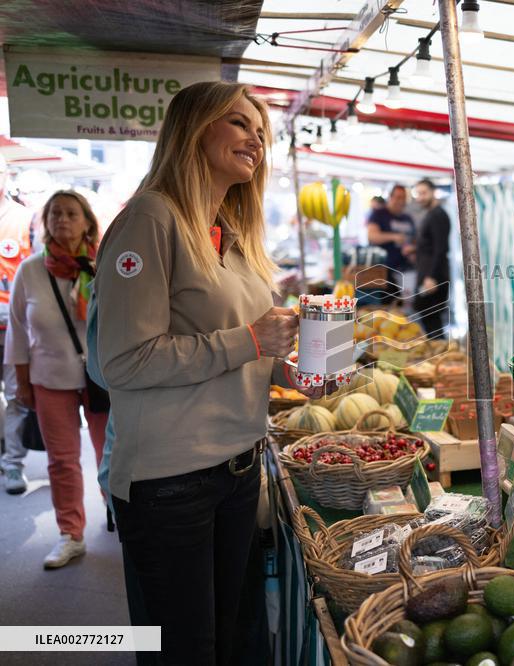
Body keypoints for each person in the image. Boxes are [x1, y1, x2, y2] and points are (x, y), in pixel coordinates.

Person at [94, 81, 329, 665]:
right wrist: (250, 340)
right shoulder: (150, 218)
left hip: (238, 468)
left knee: (233, 640)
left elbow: (241, 346)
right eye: (239, 123)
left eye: (261, 131)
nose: (255, 139)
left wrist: (289, 372)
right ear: (194, 129)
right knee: (186, 648)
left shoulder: (230, 230)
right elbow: (123, 361)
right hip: (170, 482)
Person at [4, 190, 109, 568]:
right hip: (49, 378)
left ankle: (118, 513)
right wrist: (21, 384)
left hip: (101, 377)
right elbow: (17, 331)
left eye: (71, 213)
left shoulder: (103, 266)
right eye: (55, 213)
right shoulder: (31, 270)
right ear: (45, 222)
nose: (62, 219)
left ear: (87, 223)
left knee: (110, 455)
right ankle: (71, 533)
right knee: (62, 462)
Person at [0, 154, 34, 494]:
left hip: (14, 325)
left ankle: (13, 463)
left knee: (15, 397)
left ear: (6, 176)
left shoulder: (24, 219)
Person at [411, 178, 451, 339]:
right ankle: (438, 350)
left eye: (424, 193)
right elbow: (430, 245)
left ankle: (441, 351)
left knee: (432, 320)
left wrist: (431, 277)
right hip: (428, 274)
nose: (420, 197)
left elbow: (441, 249)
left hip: (433, 277)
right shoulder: (431, 214)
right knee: (429, 318)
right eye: (418, 194)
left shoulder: (437, 215)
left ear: (433, 192)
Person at [367, 184, 415, 303]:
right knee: (387, 307)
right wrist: (393, 237)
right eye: (398, 197)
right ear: (390, 197)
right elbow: (372, 236)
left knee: (405, 307)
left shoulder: (407, 218)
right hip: (384, 272)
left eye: (403, 198)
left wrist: (412, 249)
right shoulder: (379, 214)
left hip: (405, 271)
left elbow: (414, 240)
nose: (401, 201)